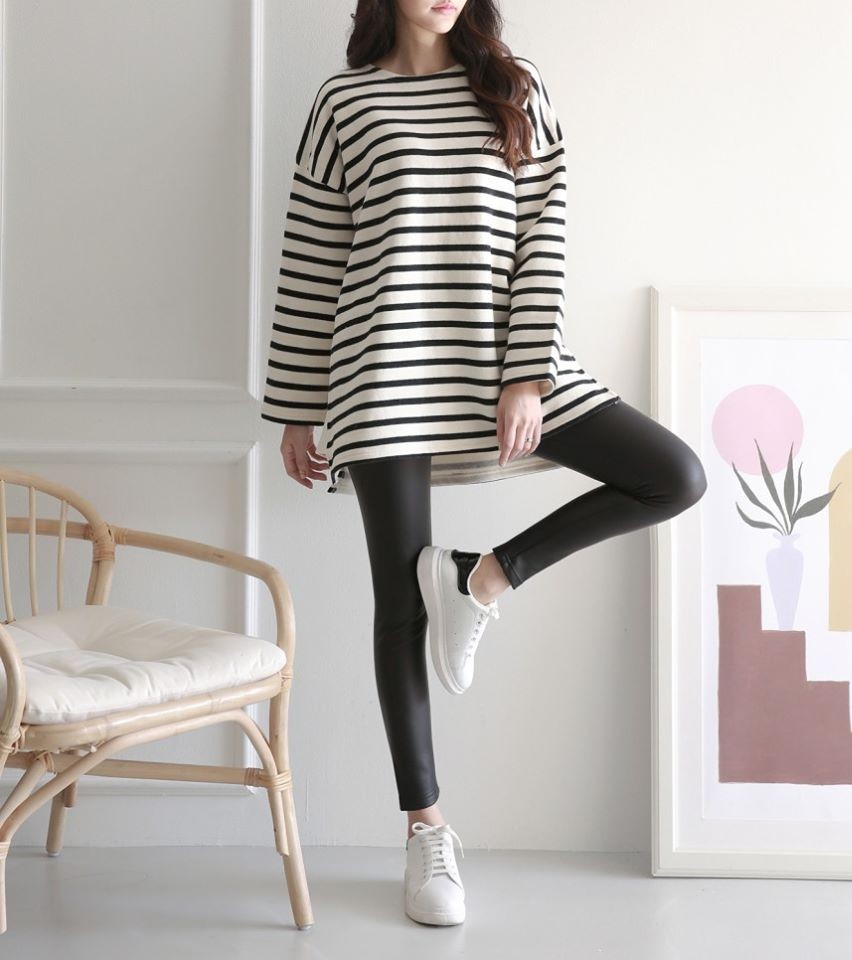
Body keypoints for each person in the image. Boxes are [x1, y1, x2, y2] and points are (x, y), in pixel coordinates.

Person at [260, 0, 707, 927]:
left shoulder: (514, 87)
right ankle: (426, 831)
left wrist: (528, 375)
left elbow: (544, 238)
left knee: (673, 475)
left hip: (501, 357)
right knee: (396, 606)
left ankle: (481, 576)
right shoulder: (344, 102)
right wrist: (297, 405)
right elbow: (313, 254)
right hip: (381, 365)